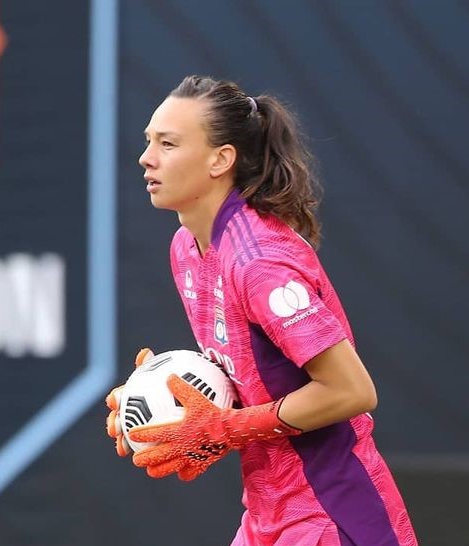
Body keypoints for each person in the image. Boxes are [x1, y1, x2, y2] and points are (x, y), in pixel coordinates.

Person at [104, 75, 417, 546]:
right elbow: (256, 373)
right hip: (266, 512)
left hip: (332, 510)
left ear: (221, 160)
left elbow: (351, 391)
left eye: (167, 144)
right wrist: (165, 400)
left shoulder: (260, 263)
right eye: (149, 142)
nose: (146, 158)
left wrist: (223, 428)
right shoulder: (187, 248)